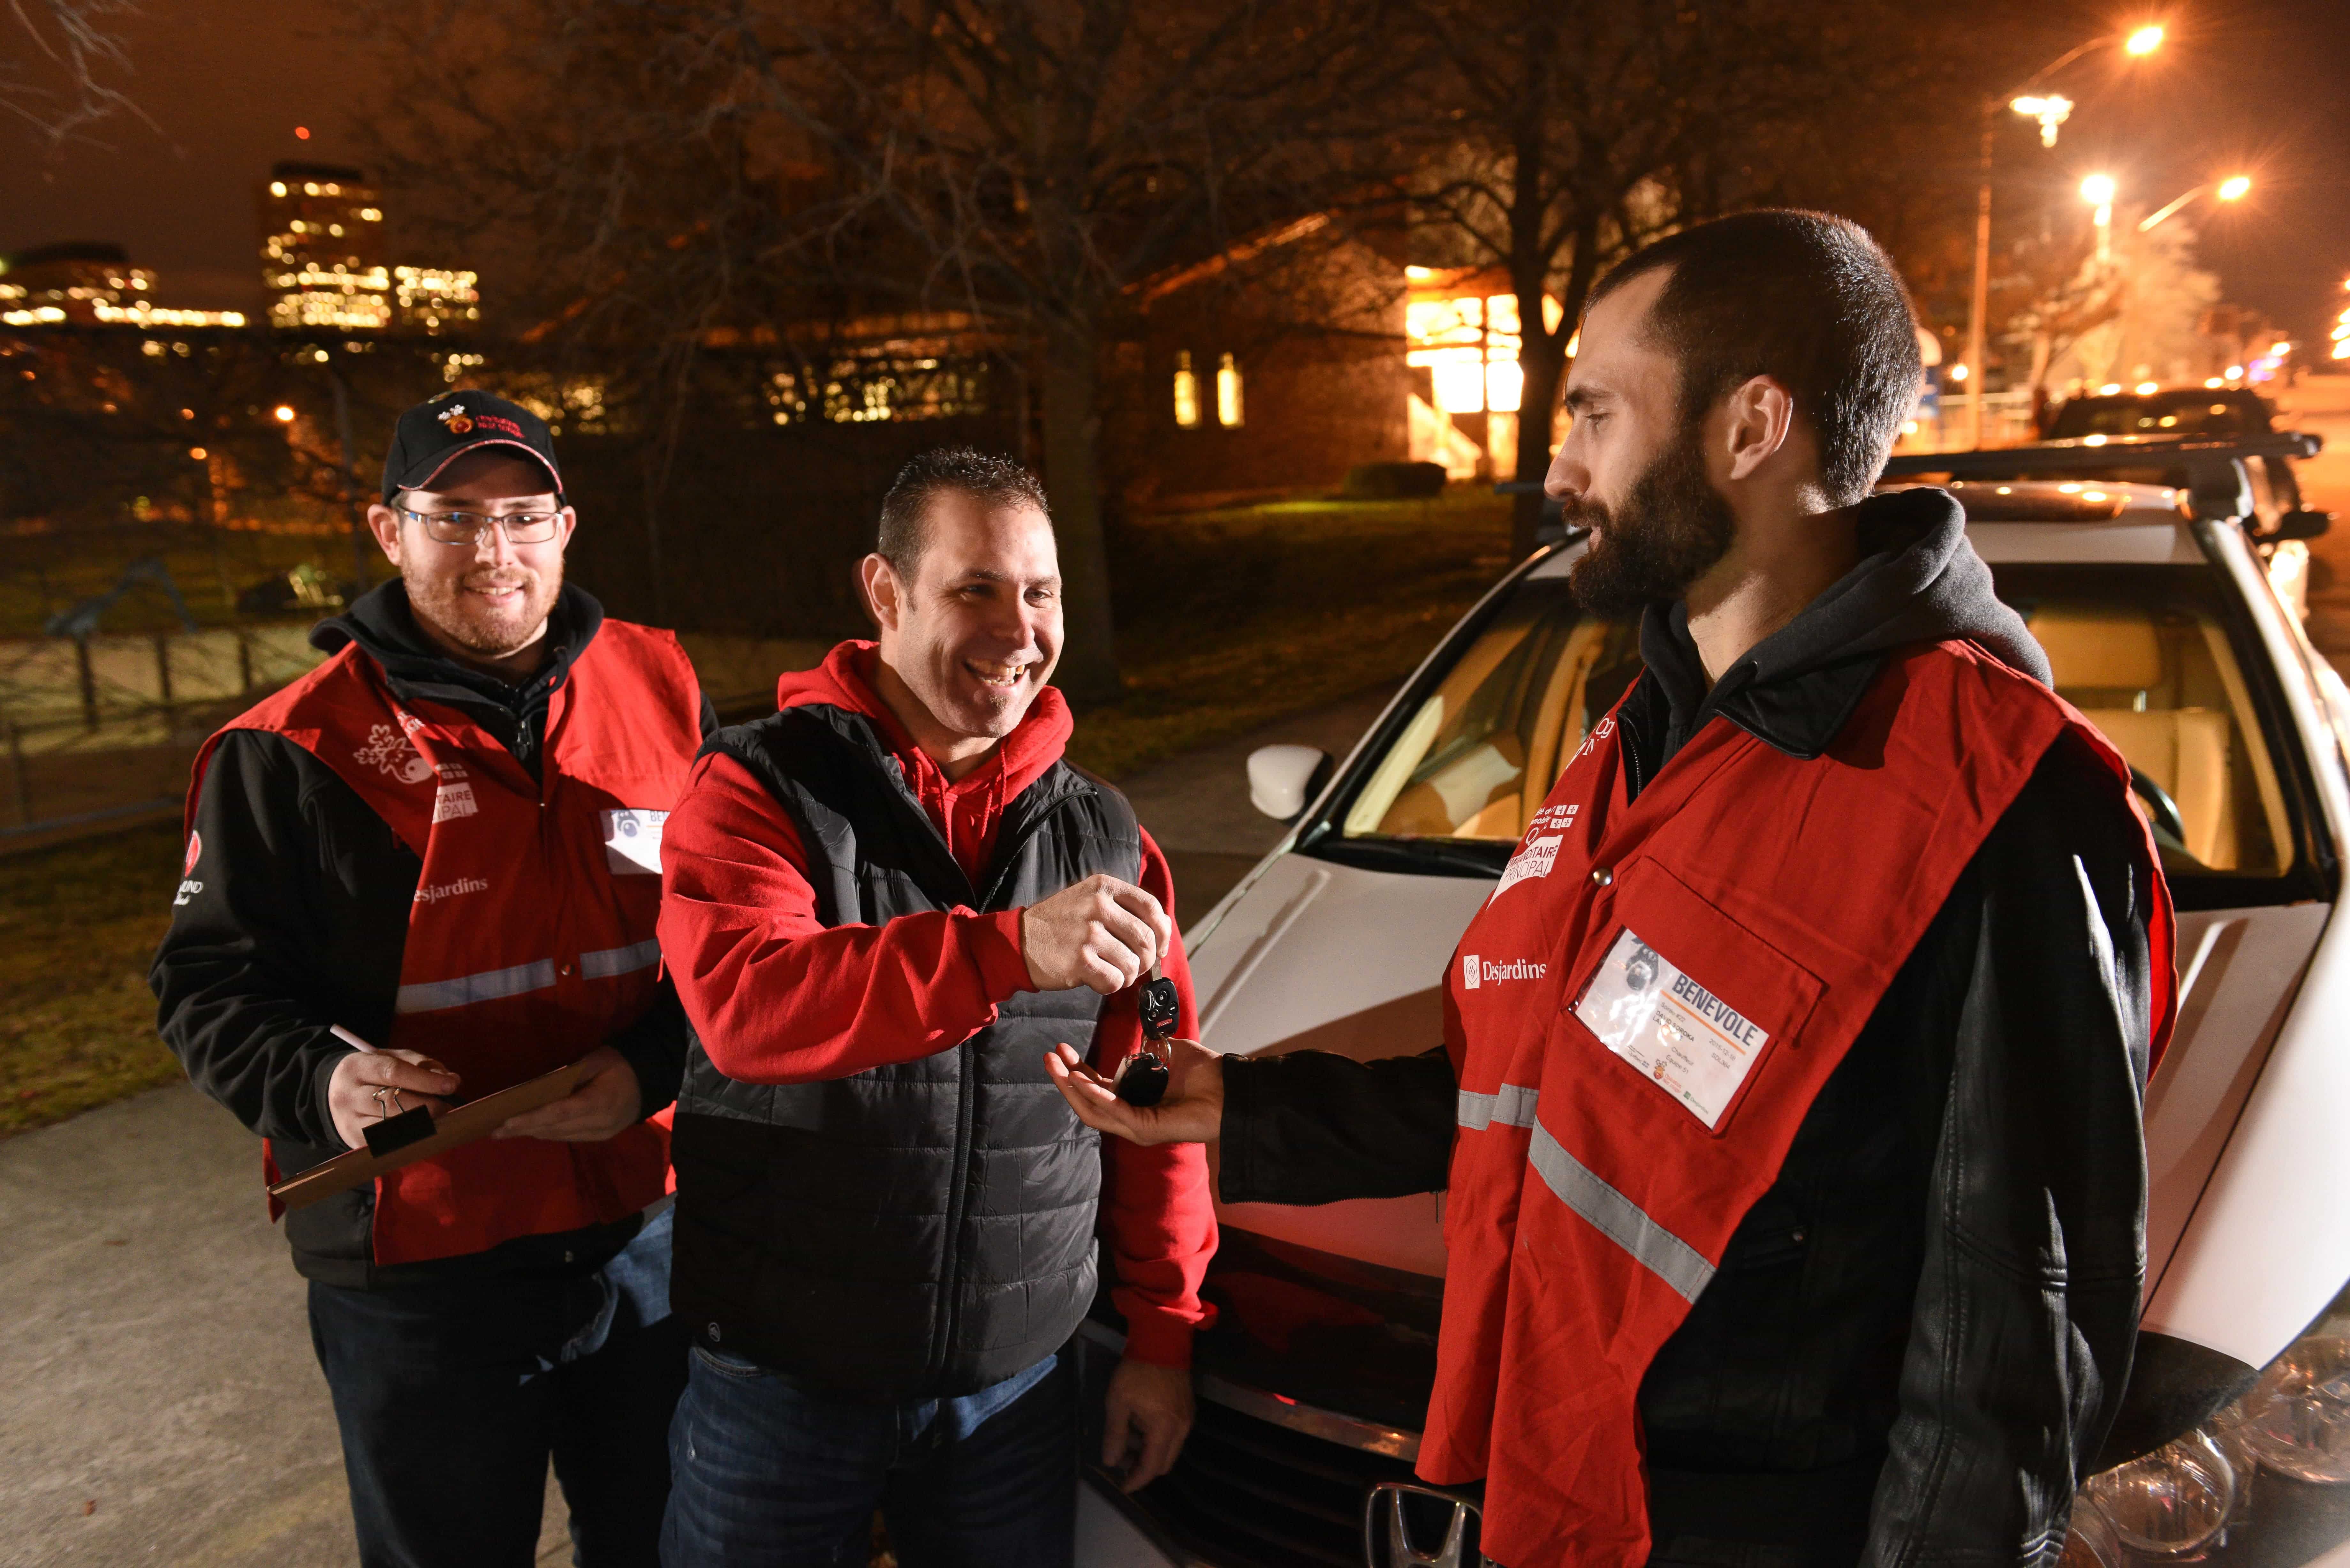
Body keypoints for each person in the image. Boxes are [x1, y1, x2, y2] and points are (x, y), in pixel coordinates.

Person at [1049, 211, 2174, 1568]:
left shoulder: (2001, 794)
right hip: (1553, 1492)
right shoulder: (1636, 728)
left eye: (1592, 412)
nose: (1559, 464)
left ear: (1751, 428)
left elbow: (2015, 1325)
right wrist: (1252, 1110)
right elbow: (1546, 1089)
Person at [152, 390, 713, 1568]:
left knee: (671, 1546)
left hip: (642, 1225)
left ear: (567, 526)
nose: (491, 551)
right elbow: (209, 989)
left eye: (519, 514)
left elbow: (728, 937)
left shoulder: (661, 687)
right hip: (423, 1270)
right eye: (450, 518)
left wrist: (651, 1068)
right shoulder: (289, 751)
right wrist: (325, 1084)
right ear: (387, 531)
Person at [653, 446, 1216, 1566]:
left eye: (1041, 592)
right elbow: (749, 1007)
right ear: (886, 591)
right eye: (977, 589)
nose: (1019, 631)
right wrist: (1005, 952)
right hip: (782, 1392)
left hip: (1012, 1399)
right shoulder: (758, 787)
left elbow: (1158, 1104)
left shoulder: (1106, 836)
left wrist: (1164, 1336)